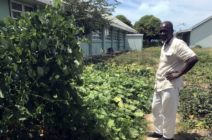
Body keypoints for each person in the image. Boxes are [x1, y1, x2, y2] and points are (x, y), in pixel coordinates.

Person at [147, 21, 198, 140]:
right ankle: (159, 131)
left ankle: (168, 136)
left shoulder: (177, 44)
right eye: (161, 31)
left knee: (168, 112)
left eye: (165, 30)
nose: (162, 33)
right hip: (159, 83)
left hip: (170, 85)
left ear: (172, 31)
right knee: (156, 109)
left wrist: (180, 73)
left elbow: (193, 58)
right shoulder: (164, 44)